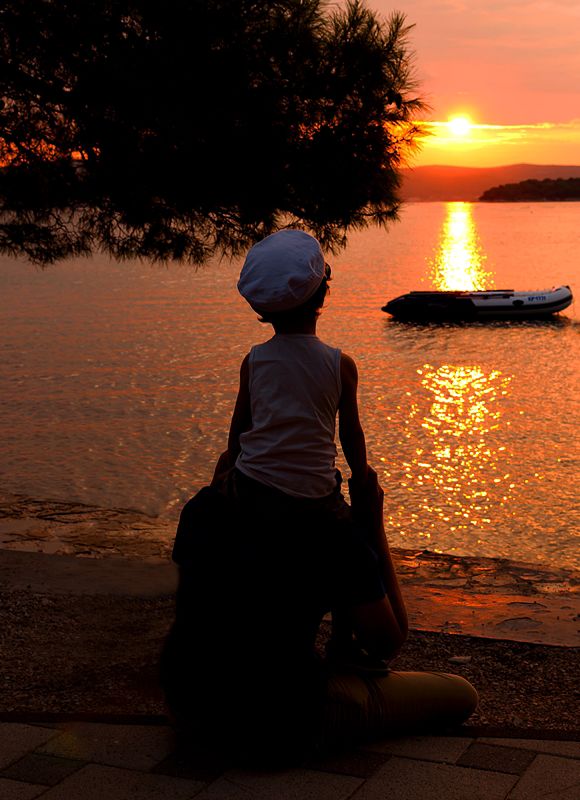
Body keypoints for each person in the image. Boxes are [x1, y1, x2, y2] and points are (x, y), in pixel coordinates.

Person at [160, 230, 477, 766]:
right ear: (323, 293)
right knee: (458, 695)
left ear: (262, 309)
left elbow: (239, 432)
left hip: (190, 704)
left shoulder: (203, 512)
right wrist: (369, 519)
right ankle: (338, 668)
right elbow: (390, 641)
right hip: (278, 721)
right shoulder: (329, 520)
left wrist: (224, 476)